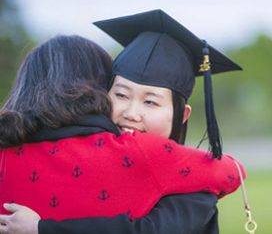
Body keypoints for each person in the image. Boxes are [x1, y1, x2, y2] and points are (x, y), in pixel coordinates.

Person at [0, 12, 244, 234]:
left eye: (150, 102)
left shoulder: (8, 156)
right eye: (121, 95)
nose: (131, 113)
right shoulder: (140, 154)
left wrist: (42, 228)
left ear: (183, 115)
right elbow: (232, 172)